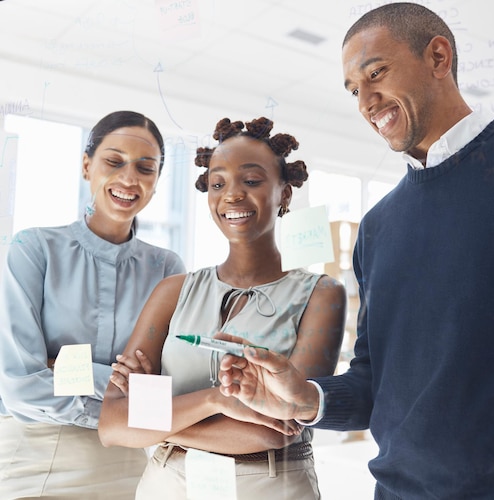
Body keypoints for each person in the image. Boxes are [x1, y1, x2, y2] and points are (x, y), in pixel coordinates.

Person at [217, 3, 494, 499]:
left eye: (377, 73)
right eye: (353, 90)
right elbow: (373, 380)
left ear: (438, 56)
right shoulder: (378, 227)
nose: (366, 101)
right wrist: (306, 397)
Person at [98, 116, 346, 500]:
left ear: (285, 193)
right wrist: (216, 400)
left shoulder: (322, 294)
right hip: (168, 482)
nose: (231, 195)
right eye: (218, 183)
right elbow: (112, 425)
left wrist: (151, 418)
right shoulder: (173, 291)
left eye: (251, 181)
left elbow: (273, 428)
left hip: (268, 485)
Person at [0, 110, 186, 499]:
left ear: (156, 182)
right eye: (114, 161)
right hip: (35, 454)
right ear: (87, 166)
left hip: (125, 459)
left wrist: (61, 365)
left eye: (145, 168)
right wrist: (121, 387)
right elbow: (20, 387)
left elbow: (164, 389)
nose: (129, 178)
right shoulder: (33, 249)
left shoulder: (167, 269)